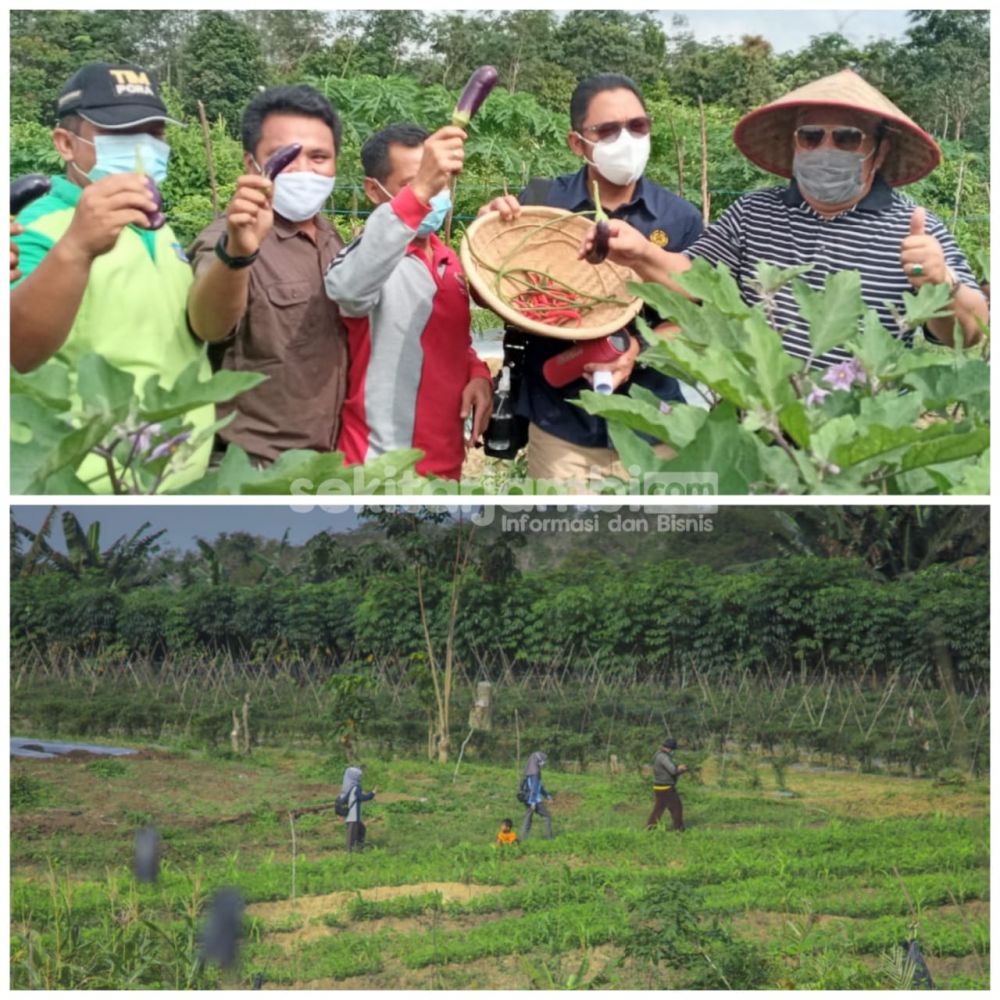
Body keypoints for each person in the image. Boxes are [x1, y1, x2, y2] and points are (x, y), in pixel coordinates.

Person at [585, 69, 988, 366]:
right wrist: (639, 252)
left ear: (879, 152)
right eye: (811, 136)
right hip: (759, 423)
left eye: (847, 138)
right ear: (795, 145)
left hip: (861, 439)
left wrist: (942, 285)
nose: (825, 148)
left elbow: (970, 336)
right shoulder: (753, 213)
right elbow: (693, 279)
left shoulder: (917, 229)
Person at [479, 74, 704, 486]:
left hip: (654, 425)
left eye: (638, 126)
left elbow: (694, 314)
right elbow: (492, 296)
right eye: (607, 130)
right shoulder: (542, 204)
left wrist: (639, 348)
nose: (627, 139)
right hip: (562, 426)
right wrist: (485, 242)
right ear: (577, 143)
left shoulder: (679, 218)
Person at [10, 61, 214, 489]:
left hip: (178, 473)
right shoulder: (33, 226)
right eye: (120, 133)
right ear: (66, 144)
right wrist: (77, 247)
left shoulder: (156, 225)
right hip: (94, 478)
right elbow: (16, 351)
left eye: (155, 134)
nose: (145, 147)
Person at [187, 85, 348, 465]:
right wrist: (238, 254)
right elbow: (208, 325)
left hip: (325, 462)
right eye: (285, 157)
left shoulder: (331, 237)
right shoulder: (227, 240)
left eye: (320, 157)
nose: (305, 170)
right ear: (251, 164)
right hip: (251, 467)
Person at [324, 123, 492, 480]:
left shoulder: (450, 261)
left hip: (446, 465)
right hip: (377, 470)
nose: (432, 195)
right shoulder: (369, 261)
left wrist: (476, 374)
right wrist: (417, 195)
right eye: (415, 183)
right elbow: (348, 291)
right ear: (373, 190)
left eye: (439, 182)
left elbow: (453, 343)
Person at [647, 737, 687, 831]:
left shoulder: (658, 754)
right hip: (666, 788)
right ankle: (679, 828)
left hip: (659, 787)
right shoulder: (664, 757)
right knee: (677, 808)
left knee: (658, 809)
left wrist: (677, 768)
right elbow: (673, 771)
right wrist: (681, 769)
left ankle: (650, 827)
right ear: (670, 748)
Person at [340, 765, 376, 853]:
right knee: (352, 836)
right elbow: (362, 798)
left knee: (361, 830)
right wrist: (372, 793)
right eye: (359, 776)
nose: (360, 777)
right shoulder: (356, 787)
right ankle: (350, 853)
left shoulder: (348, 787)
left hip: (352, 816)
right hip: (353, 816)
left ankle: (359, 849)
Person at [520, 751, 554, 840]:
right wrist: (533, 803)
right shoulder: (535, 772)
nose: (544, 762)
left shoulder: (529, 771)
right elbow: (534, 788)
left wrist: (547, 796)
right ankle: (550, 838)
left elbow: (539, 787)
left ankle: (522, 839)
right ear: (538, 760)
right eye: (543, 760)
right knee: (547, 816)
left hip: (528, 799)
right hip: (535, 801)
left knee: (528, 819)